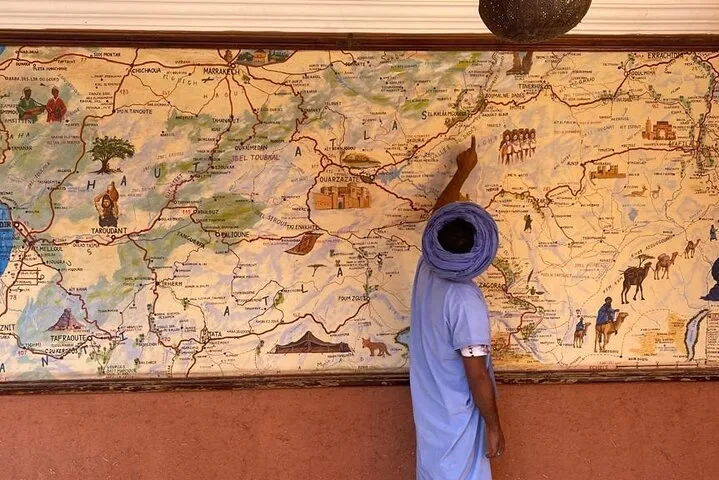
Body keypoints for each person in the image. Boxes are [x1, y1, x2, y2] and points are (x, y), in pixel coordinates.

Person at [410, 136, 504, 480]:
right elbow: (477, 374)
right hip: (459, 425)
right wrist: (494, 425)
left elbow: (439, 214)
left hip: (432, 419)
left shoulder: (428, 267)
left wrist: (463, 170)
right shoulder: (465, 302)